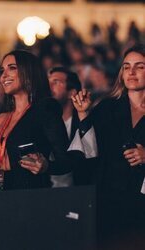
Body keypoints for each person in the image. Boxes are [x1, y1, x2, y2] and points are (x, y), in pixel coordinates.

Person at [0, 50, 75, 191]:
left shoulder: (45, 109)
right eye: (2, 70)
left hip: (31, 198)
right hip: (0, 200)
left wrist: (46, 166)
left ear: (29, 73)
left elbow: (66, 161)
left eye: (12, 68)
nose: (4, 76)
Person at [72, 44, 145, 245]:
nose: (131, 72)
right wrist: (83, 114)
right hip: (109, 199)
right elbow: (89, 150)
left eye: (140, 66)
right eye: (126, 66)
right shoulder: (107, 107)